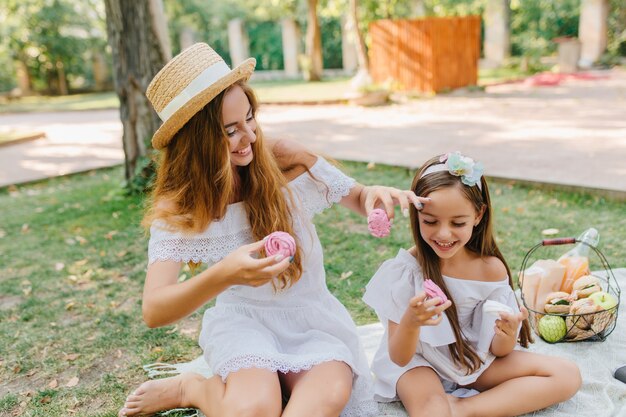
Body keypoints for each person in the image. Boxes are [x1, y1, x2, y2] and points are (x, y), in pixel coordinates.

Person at [118, 43, 426, 417]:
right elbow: (154, 309)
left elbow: (358, 196)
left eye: (250, 118)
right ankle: (195, 388)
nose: (249, 137)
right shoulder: (181, 207)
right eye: (230, 130)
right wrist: (224, 274)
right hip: (243, 323)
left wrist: (374, 195)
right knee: (253, 409)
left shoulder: (283, 158)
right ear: (196, 142)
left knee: (328, 397)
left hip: (311, 320)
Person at [363, 152, 582, 417]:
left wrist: (507, 334)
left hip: (467, 359)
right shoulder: (406, 272)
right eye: (430, 221)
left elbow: (497, 351)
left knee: (567, 375)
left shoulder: (490, 270)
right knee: (432, 411)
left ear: (478, 215)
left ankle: (465, 408)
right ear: (417, 216)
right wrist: (411, 321)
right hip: (418, 362)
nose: (444, 234)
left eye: (458, 223)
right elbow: (399, 357)